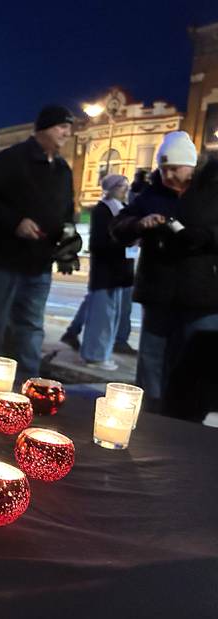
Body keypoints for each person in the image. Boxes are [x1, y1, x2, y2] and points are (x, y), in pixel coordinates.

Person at [0, 105, 78, 381]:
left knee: (31, 325)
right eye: (61, 126)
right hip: (4, 260)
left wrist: (67, 243)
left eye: (69, 127)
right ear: (43, 129)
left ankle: (28, 381)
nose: (67, 132)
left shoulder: (63, 170)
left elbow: (67, 212)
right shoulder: (13, 159)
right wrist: (15, 222)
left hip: (39, 262)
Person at [111, 131, 218, 412]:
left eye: (174, 168)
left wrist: (206, 236)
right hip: (158, 291)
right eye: (164, 167)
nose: (168, 174)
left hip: (203, 295)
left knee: (195, 364)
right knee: (152, 361)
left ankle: (187, 423)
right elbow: (119, 226)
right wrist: (139, 224)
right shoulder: (152, 193)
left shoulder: (213, 188)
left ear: (192, 165)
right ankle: (151, 418)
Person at [78, 174, 134, 370]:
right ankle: (95, 355)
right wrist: (124, 242)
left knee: (111, 316)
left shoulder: (121, 209)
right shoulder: (104, 210)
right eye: (121, 186)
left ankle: (102, 353)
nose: (125, 190)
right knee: (102, 315)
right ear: (111, 188)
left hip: (117, 271)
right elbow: (99, 243)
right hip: (107, 271)